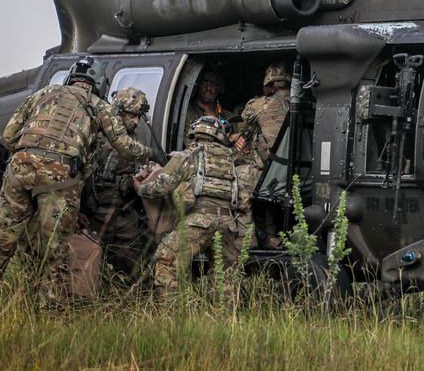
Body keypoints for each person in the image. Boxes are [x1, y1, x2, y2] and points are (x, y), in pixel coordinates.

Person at [0, 56, 151, 306]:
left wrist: (30, 156)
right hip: (59, 179)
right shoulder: (99, 106)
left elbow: (9, 136)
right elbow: (124, 146)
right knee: (54, 252)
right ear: (99, 83)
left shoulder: (43, 94)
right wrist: (151, 153)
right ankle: (49, 309)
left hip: (19, 171)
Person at [136, 116, 247, 296]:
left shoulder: (187, 155)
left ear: (194, 133)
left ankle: (170, 314)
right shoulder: (229, 160)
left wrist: (140, 188)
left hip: (198, 222)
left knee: (166, 262)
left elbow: (160, 188)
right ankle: (227, 318)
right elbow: (242, 197)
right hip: (228, 225)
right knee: (225, 276)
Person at [80, 87, 156, 282]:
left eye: (138, 116)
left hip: (124, 216)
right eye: (131, 115)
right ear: (118, 112)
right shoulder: (96, 136)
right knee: (87, 265)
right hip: (95, 214)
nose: (136, 121)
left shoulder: (134, 141)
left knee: (134, 269)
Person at [235, 62, 290, 171]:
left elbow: (245, 115)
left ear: (269, 86)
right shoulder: (302, 104)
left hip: (270, 164)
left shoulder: (262, 104)